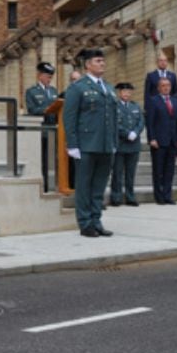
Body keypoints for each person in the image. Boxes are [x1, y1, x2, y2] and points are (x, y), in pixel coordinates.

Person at [63, 49, 117, 238]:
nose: (102, 63)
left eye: (103, 60)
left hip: (105, 144)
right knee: (84, 185)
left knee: (99, 186)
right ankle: (85, 223)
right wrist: (72, 145)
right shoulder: (77, 88)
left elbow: (113, 117)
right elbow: (69, 117)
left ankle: (96, 220)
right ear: (87, 65)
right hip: (86, 145)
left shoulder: (108, 88)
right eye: (98, 60)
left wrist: (114, 142)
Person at [146, 77, 177, 205]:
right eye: (163, 85)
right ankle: (159, 196)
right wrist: (152, 138)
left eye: (168, 85)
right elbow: (150, 122)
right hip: (159, 141)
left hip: (172, 141)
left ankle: (168, 195)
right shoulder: (153, 101)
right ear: (159, 88)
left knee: (169, 170)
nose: (166, 87)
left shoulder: (175, 101)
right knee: (158, 170)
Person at [25, 61, 58, 192]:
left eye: (51, 77)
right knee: (41, 159)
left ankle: (51, 185)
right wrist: (46, 109)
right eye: (47, 76)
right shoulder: (31, 92)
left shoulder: (54, 91)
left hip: (53, 130)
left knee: (52, 160)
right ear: (40, 75)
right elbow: (32, 109)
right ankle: (42, 186)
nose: (49, 79)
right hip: (40, 131)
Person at [109, 82, 144, 207]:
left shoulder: (135, 106)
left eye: (129, 92)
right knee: (117, 173)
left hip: (133, 144)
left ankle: (130, 196)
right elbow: (114, 124)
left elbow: (141, 121)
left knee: (130, 173)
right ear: (120, 93)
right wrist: (126, 133)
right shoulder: (115, 106)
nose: (127, 94)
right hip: (120, 144)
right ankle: (116, 197)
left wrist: (135, 132)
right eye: (124, 92)